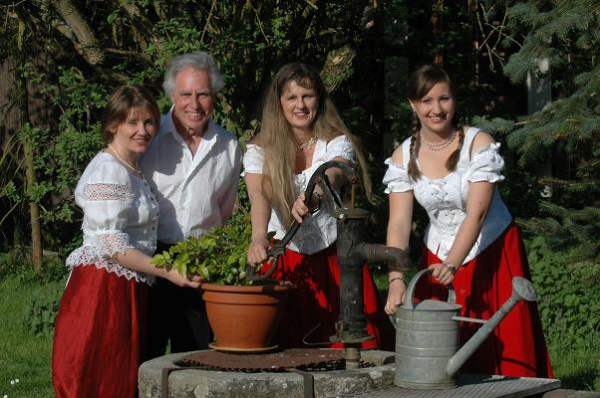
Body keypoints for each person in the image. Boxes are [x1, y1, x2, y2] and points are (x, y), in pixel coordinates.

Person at [383, 64, 553, 377]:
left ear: (454, 100)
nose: (437, 109)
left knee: (505, 340)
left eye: (444, 99)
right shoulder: (402, 157)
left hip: (491, 250)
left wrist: (453, 263)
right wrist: (396, 279)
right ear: (413, 104)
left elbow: (476, 214)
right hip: (437, 254)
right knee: (442, 351)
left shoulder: (478, 143)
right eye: (427, 101)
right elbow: (398, 223)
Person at [52, 86, 201, 398]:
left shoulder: (131, 167)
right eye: (132, 123)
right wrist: (167, 270)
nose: (142, 131)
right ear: (112, 126)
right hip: (101, 290)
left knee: (120, 376)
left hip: (124, 286)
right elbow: (112, 245)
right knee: (99, 377)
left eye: (148, 123)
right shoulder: (108, 171)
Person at [244, 62, 393, 350]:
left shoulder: (336, 141)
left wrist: (313, 196)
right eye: (292, 98)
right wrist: (258, 236)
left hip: (335, 256)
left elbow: (333, 174)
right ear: (279, 103)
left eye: (307, 96)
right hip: (285, 258)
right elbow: (259, 194)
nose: (300, 105)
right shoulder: (260, 148)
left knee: (354, 350)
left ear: (319, 99)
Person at [141, 51, 242, 358]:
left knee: (197, 358)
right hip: (149, 261)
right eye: (186, 94)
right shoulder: (148, 137)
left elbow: (223, 212)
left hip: (200, 263)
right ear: (172, 94)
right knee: (145, 358)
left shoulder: (228, 146)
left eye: (203, 94)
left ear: (214, 96)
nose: (194, 104)